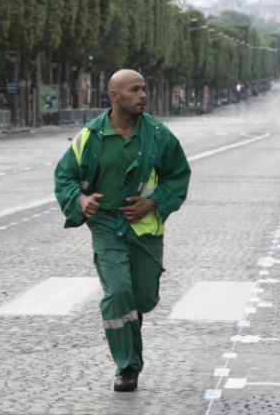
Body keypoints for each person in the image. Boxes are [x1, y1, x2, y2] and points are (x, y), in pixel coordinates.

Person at [53, 69, 191, 392]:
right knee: (117, 293)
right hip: (106, 226)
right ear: (114, 96)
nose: (143, 95)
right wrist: (81, 199)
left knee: (142, 298)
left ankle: (133, 319)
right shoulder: (90, 136)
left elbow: (179, 176)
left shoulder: (159, 135)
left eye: (144, 89)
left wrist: (153, 202)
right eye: (135, 90)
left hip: (144, 230)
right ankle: (127, 366)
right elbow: (65, 176)